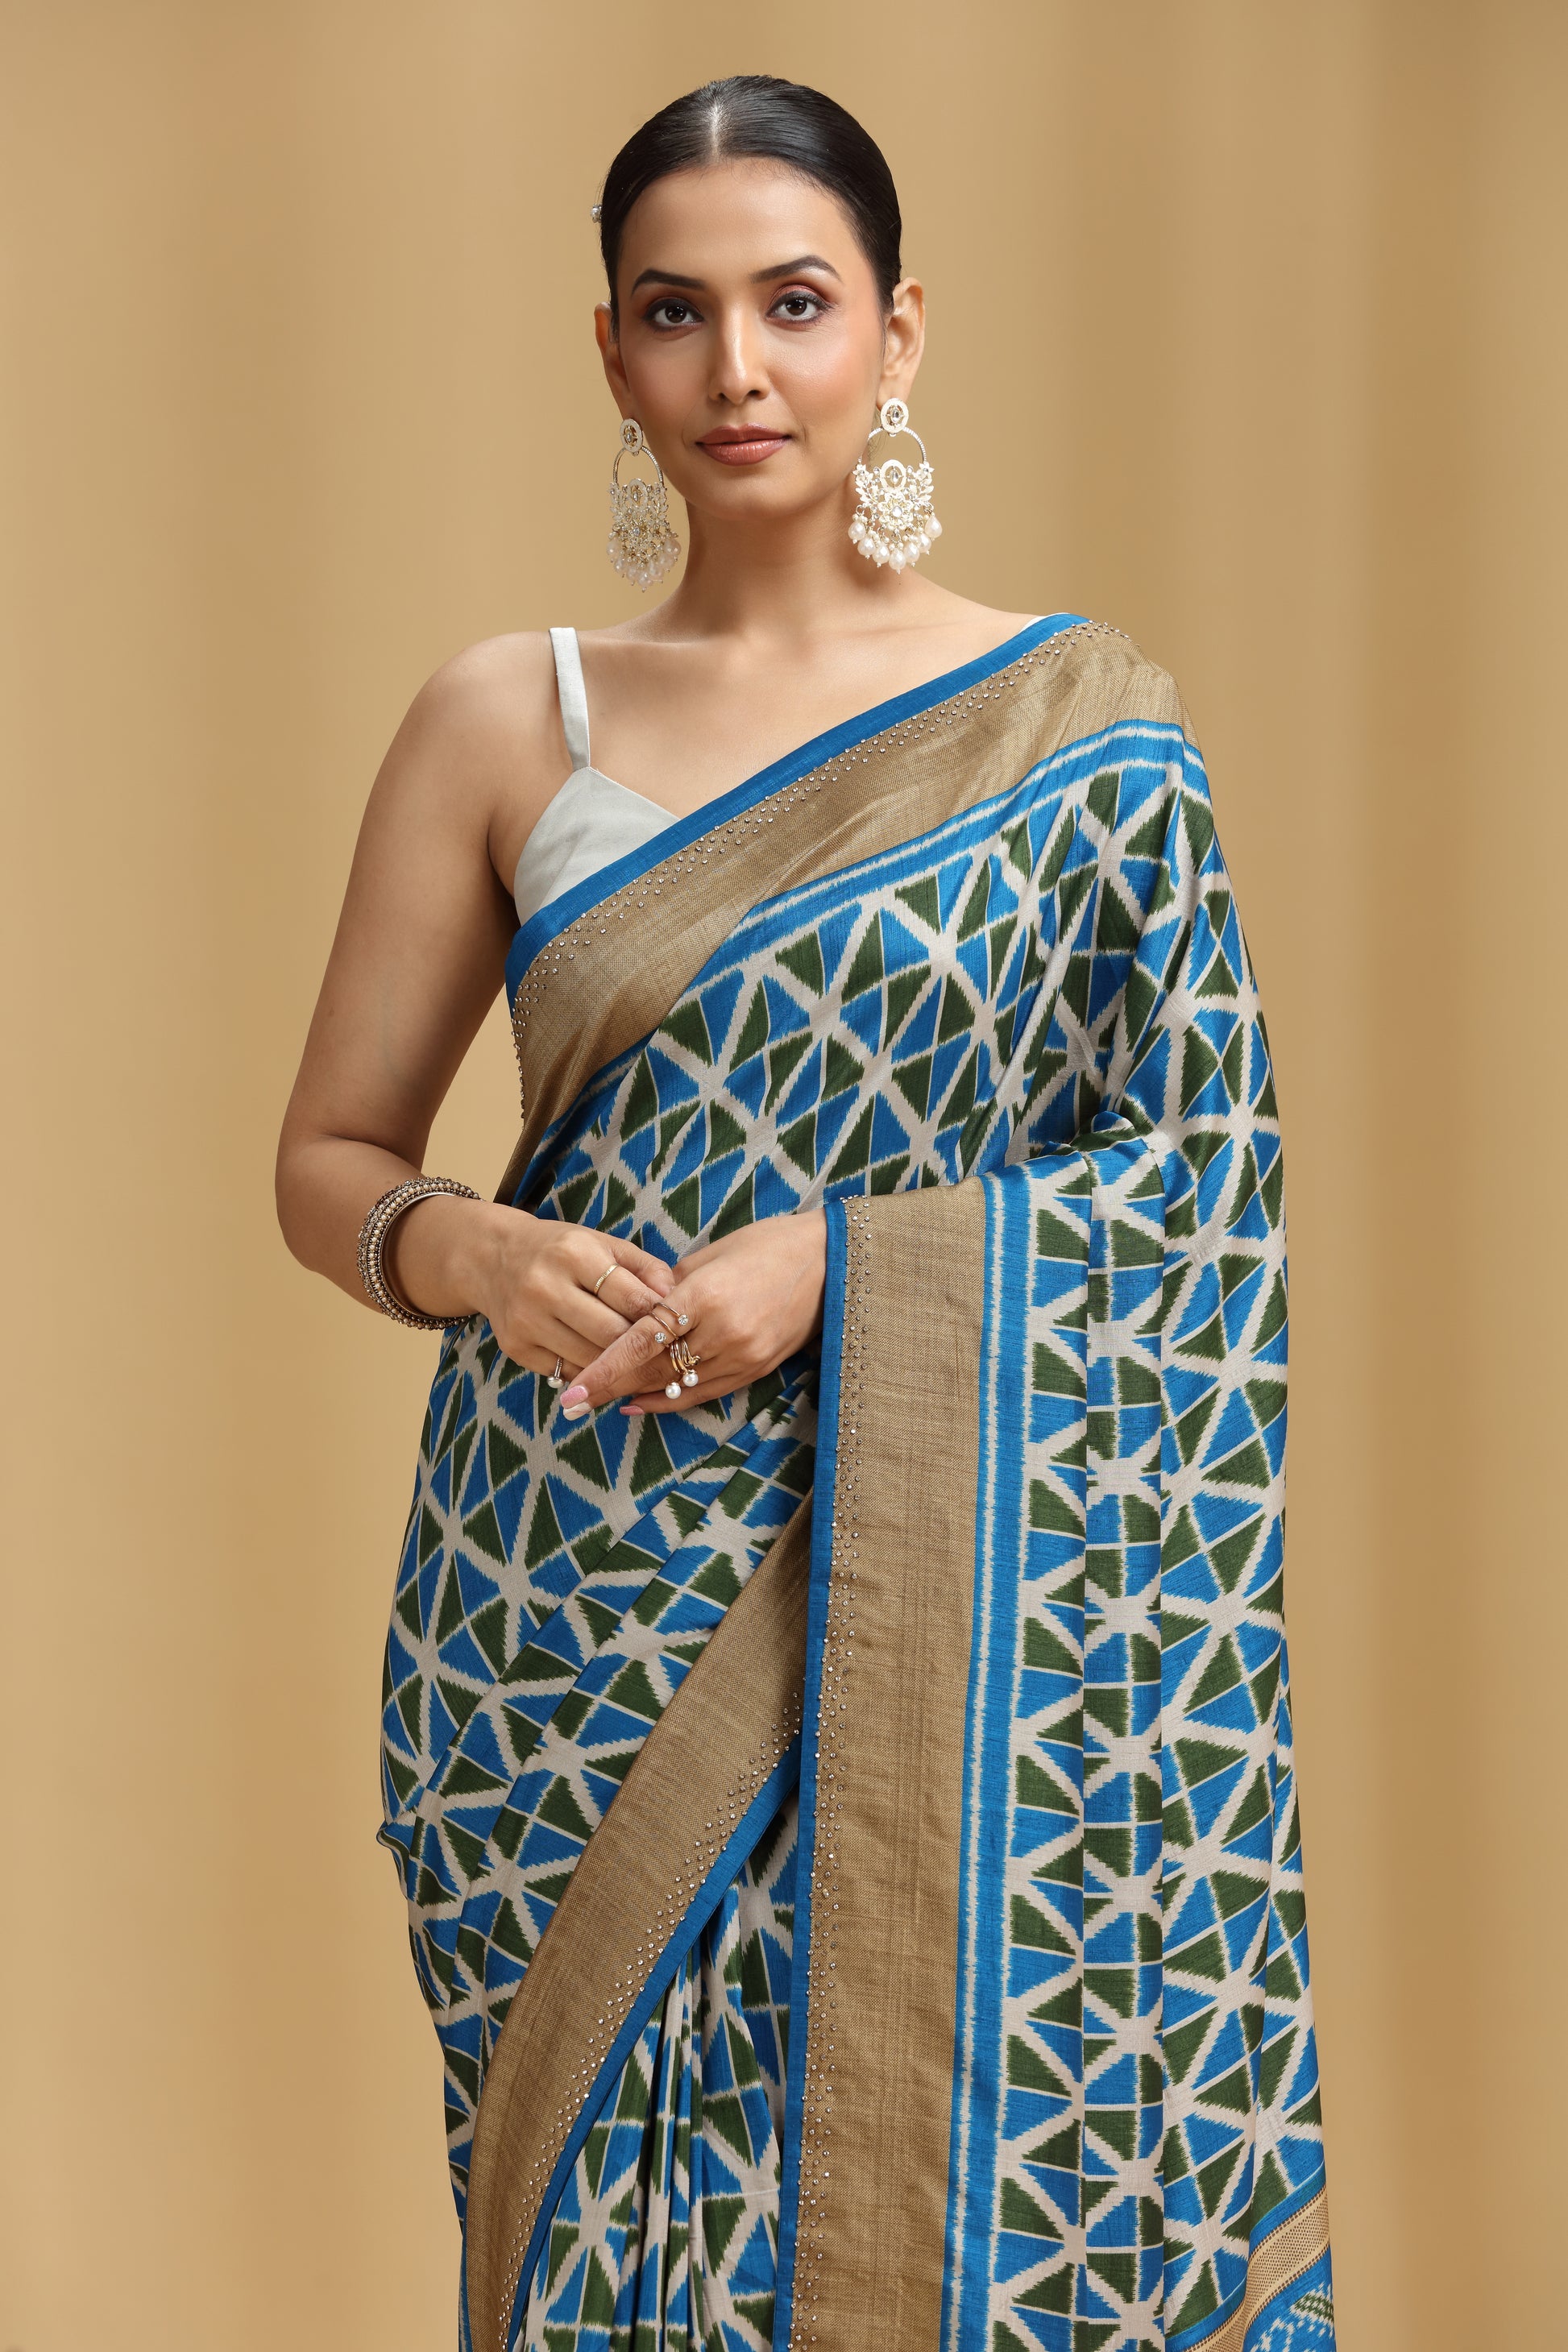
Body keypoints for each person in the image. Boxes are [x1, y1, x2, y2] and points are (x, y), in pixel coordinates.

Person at [276, 73, 1334, 2352]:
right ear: (608, 351)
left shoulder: (1078, 731)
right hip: (565, 1601)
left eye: (793, 304)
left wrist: (842, 1265)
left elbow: (1200, 1180)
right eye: (676, 312)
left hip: (957, 1596)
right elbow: (333, 1159)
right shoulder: (506, 715)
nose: (735, 370)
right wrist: (470, 1251)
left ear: (899, 331)